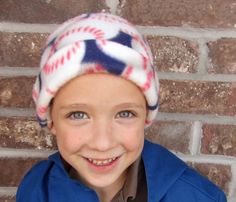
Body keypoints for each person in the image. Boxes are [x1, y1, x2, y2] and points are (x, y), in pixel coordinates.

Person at [16, 13, 226, 202]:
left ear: (146, 116)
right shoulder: (36, 189)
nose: (102, 144)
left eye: (125, 113)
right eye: (78, 115)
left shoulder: (199, 197)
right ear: (51, 119)